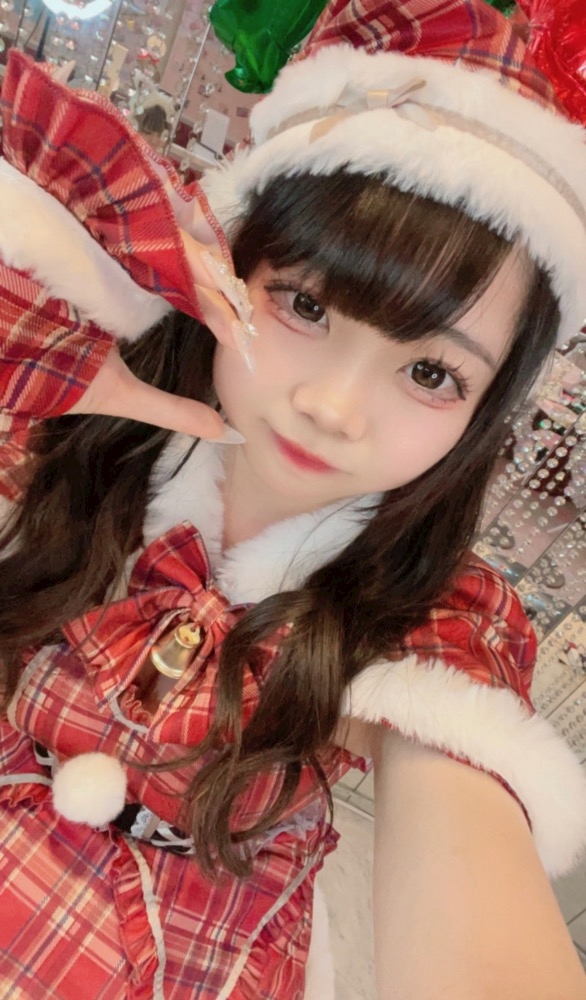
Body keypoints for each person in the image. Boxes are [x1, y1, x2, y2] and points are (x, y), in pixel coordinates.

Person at [0, 2, 586, 998]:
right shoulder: (79, 430)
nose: (333, 407)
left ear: (483, 413)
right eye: (307, 305)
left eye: (431, 373)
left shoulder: (433, 615)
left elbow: (478, 918)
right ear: (229, 262)